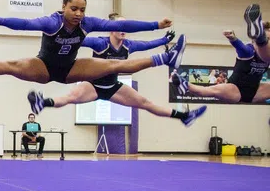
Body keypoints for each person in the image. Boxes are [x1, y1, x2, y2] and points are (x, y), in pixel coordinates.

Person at [0, 0, 186, 85]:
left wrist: (155, 25)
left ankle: (166, 58)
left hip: (71, 69)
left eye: (82, 9)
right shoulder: (52, 22)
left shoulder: (88, 23)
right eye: (74, 9)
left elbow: (120, 24)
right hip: (44, 68)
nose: (78, 14)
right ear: (64, 7)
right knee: (12, 66)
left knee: (115, 64)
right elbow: (26, 25)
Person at [30, 15, 207, 126]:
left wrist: (163, 40)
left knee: (145, 102)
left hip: (113, 87)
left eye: (126, 28)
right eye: (120, 27)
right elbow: (78, 40)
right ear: (111, 29)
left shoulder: (129, 46)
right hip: (93, 85)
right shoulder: (100, 43)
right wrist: (57, 39)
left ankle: (184, 116)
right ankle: (42, 102)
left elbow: (147, 44)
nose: (124, 30)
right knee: (70, 97)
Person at [170, 29, 270, 104]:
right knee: (207, 91)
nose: (267, 43)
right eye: (266, 39)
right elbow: (241, 48)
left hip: (256, 91)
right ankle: (185, 84)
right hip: (235, 90)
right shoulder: (249, 52)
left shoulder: (268, 56)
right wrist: (233, 38)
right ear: (254, 41)